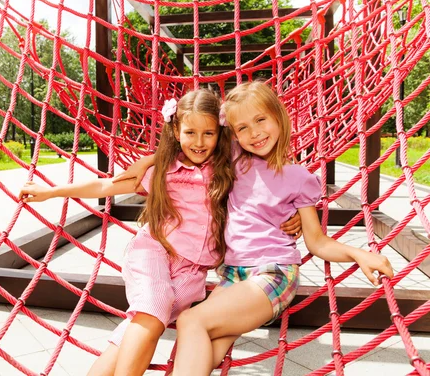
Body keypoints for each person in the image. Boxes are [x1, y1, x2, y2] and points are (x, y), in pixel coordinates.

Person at [119, 81, 394, 375]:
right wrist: (151, 160)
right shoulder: (234, 160)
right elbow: (191, 146)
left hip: (273, 273)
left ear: (279, 116)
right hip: (232, 278)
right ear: (234, 135)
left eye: (261, 120)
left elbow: (317, 242)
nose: (255, 133)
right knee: (203, 352)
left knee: (190, 321)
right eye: (243, 128)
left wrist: (359, 254)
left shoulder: (299, 178)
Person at [19, 89, 237, 376]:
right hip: (155, 251)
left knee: (146, 321)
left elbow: (265, 175)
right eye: (190, 132)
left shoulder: (227, 169)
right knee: (156, 303)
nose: (198, 142)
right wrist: (50, 192)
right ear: (175, 130)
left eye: (208, 133)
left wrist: (295, 215)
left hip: (193, 271)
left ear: (220, 133)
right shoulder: (164, 170)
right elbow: (105, 186)